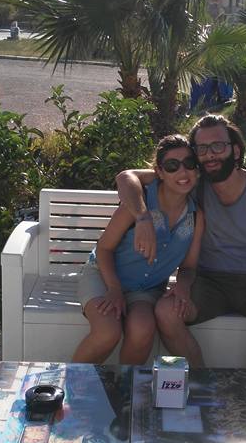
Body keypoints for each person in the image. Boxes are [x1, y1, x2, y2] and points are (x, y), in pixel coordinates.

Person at [115, 114, 246, 375]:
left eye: (218, 146)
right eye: (201, 149)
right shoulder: (193, 184)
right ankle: (202, 385)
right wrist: (143, 218)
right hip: (208, 284)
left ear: (236, 150)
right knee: (166, 312)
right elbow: (126, 177)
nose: (210, 154)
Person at [72, 134, 204, 365]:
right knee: (107, 332)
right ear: (159, 172)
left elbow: (189, 267)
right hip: (104, 276)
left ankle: (125, 384)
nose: (182, 172)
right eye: (172, 166)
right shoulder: (138, 204)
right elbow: (104, 249)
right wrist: (114, 289)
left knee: (143, 327)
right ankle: (72, 383)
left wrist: (182, 286)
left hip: (146, 288)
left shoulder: (195, 216)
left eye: (189, 163)